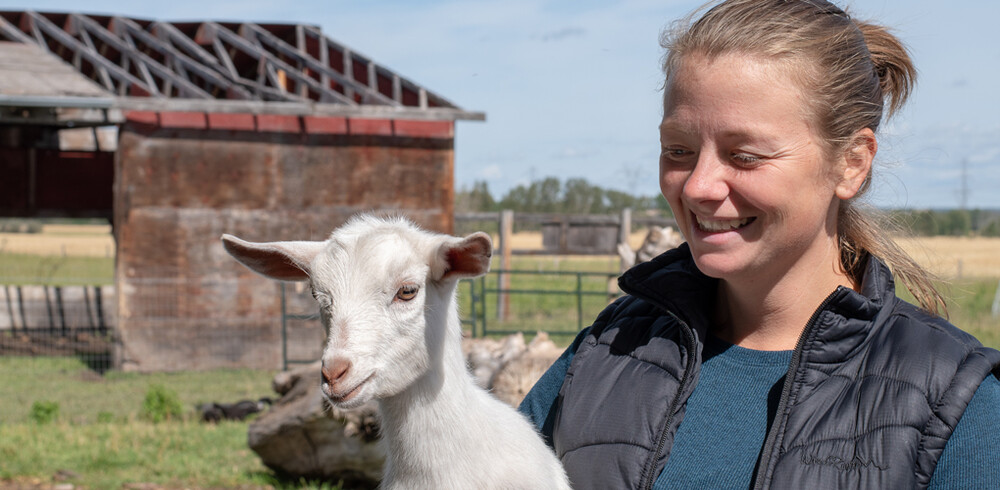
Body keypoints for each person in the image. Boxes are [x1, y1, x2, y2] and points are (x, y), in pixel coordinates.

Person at [518, 1, 1000, 488]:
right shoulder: (606, 355)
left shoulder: (954, 405)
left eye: (744, 156)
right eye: (678, 151)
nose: (697, 186)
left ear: (853, 162)